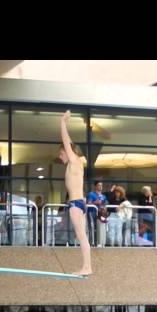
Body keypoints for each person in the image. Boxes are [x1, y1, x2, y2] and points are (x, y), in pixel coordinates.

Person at [60, 110, 92, 276]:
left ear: (67, 151)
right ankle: (86, 266)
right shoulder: (77, 162)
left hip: (76, 204)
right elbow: (70, 143)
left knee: (81, 236)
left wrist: (63, 123)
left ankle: (87, 267)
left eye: (61, 153)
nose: (60, 157)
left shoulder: (73, 160)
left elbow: (66, 142)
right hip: (80, 202)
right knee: (82, 236)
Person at [87, 181, 107, 247]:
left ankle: (99, 242)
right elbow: (88, 203)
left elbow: (105, 204)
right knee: (92, 227)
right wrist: (95, 202)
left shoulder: (103, 196)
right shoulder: (91, 194)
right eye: (99, 185)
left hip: (100, 214)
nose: (100, 187)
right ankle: (91, 242)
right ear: (95, 186)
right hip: (92, 212)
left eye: (101, 185)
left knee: (99, 227)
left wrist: (104, 208)